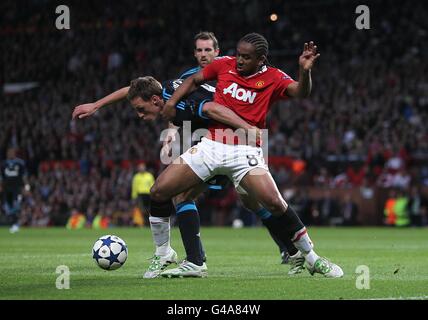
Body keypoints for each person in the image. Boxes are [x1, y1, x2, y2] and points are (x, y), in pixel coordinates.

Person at [73, 32, 303, 278]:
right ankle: (289, 250)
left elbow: (221, 105)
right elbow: (153, 95)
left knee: (245, 201)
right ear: (194, 53)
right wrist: (97, 105)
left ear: (218, 52)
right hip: (212, 143)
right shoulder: (188, 79)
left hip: (237, 142)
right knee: (248, 201)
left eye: (208, 50)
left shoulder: (231, 73)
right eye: (199, 50)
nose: (204, 55)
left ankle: (199, 259)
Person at [155, 33, 343, 278]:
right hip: (211, 144)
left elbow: (300, 93)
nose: (239, 61)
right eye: (238, 54)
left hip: (245, 151)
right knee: (160, 190)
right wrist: (171, 105)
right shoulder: (224, 64)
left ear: (261, 59)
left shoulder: (273, 77)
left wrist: (304, 71)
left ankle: (311, 257)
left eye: (246, 57)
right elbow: (193, 80)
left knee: (274, 202)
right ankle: (171, 255)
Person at [1, 148, 28, 233]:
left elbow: (24, 176)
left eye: (11, 152)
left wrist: (26, 187)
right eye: (9, 152)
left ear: (14, 153)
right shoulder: (3, 164)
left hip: (17, 188)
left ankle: (16, 224)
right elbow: (1, 176)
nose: (10, 154)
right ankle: (14, 224)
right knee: (8, 207)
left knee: (16, 205)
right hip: (6, 188)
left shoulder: (20, 163)